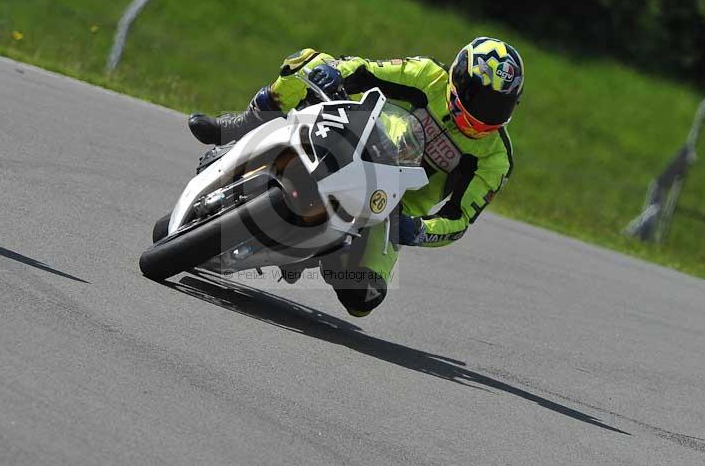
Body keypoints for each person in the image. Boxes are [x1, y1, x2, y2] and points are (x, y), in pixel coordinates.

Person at [189, 37, 524, 317]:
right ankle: (239, 127)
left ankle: (326, 251)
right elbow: (364, 69)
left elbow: (458, 220)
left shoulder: (495, 158)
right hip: (358, 138)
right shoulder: (428, 76)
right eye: (480, 98)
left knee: (362, 298)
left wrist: (420, 230)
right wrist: (334, 74)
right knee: (307, 62)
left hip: (391, 206)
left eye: (499, 106)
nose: (485, 114)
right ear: (458, 79)